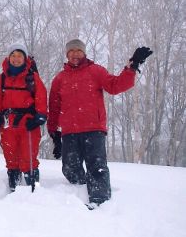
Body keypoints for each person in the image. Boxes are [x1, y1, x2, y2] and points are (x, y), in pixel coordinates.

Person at [47, 39, 152, 207]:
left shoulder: (95, 71)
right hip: (69, 132)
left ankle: (99, 202)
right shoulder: (59, 79)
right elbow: (53, 107)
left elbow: (116, 86)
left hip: (93, 130)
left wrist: (132, 68)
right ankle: (76, 199)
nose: (75, 54)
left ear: (84, 53)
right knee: (70, 168)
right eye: (71, 51)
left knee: (97, 167)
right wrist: (54, 133)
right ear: (67, 54)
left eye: (78, 50)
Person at [0, 44, 47, 192]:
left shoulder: (32, 78)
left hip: (28, 123)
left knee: (28, 156)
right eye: (13, 56)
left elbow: (41, 97)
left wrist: (40, 117)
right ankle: (13, 185)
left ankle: (33, 188)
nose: (16, 59)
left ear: (25, 59)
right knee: (11, 156)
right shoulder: (1, 79)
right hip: (8, 123)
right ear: (9, 58)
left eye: (19, 56)